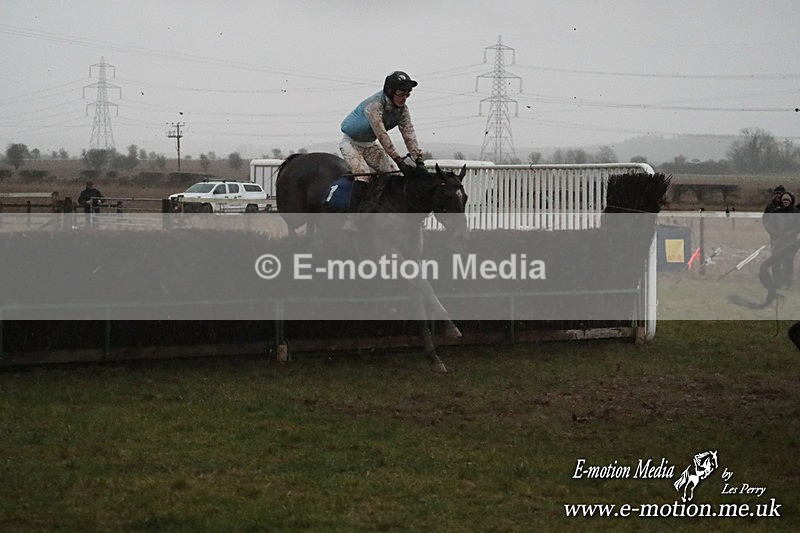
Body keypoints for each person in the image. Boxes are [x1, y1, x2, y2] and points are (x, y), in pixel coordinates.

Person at [339, 71, 427, 230]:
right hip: (351, 143)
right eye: (401, 93)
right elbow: (382, 135)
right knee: (363, 175)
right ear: (390, 91)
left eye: (407, 95)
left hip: (369, 144)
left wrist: (418, 159)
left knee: (395, 173)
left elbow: (408, 133)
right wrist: (399, 159)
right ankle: (351, 219)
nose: (404, 98)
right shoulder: (374, 106)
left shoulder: (403, 110)